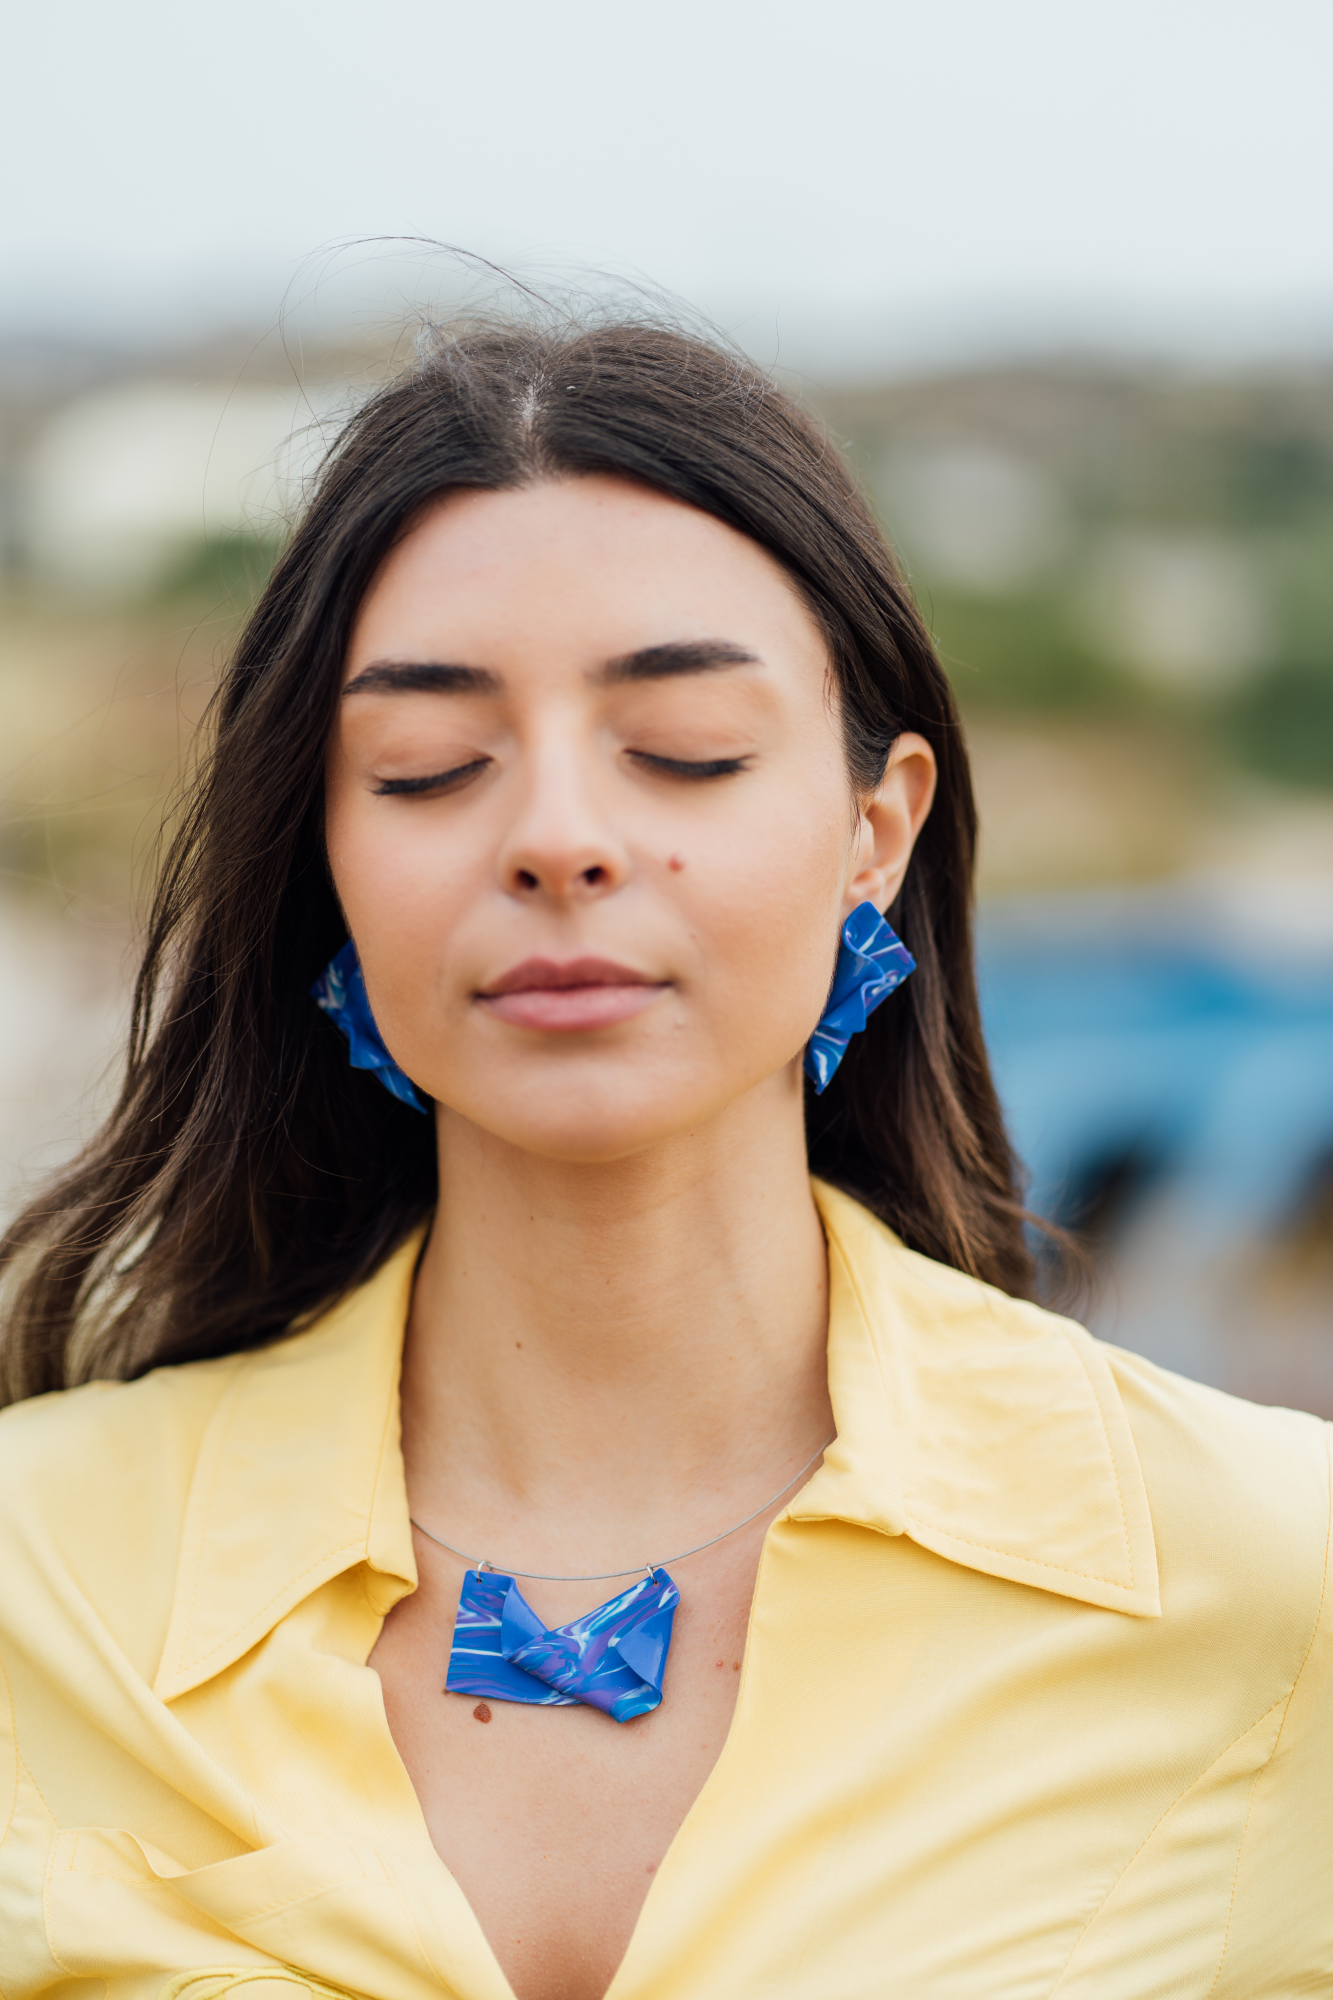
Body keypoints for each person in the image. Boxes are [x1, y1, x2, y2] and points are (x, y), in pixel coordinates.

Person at [0, 318, 1328, 2000]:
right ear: (324, 858)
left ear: (878, 828)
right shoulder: (30, 1577)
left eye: (686, 746)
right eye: (428, 767)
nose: (559, 836)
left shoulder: (1274, 1587)